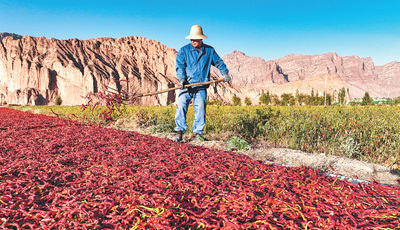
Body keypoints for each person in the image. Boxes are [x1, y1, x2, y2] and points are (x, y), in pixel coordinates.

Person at [174, 25, 231, 142]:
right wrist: (182, 79)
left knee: (200, 109)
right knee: (181, 106)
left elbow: (219, 62)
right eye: (191, 39)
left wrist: (224, 73)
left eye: (195, 39)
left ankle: (198, 134)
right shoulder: (184, 50)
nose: (193, 41)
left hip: (201, 86)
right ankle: (179, 132)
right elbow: (180, 66)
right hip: (187, 85)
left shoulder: (209, 51)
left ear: (201, 39)